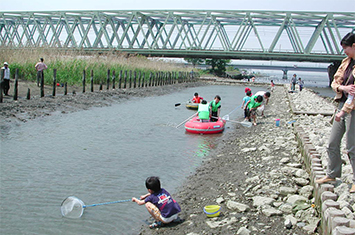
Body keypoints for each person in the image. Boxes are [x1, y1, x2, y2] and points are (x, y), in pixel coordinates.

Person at [315, 32, 355, 193]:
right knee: (332, 143)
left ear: (354, 46)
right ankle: (332, 174)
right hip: (342, 105)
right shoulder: (347, 62)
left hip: (352, 109)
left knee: (352, 147)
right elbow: (335, 83)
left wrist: (343, 112)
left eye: (346, 47)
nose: (343, 51)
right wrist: (342, 88)